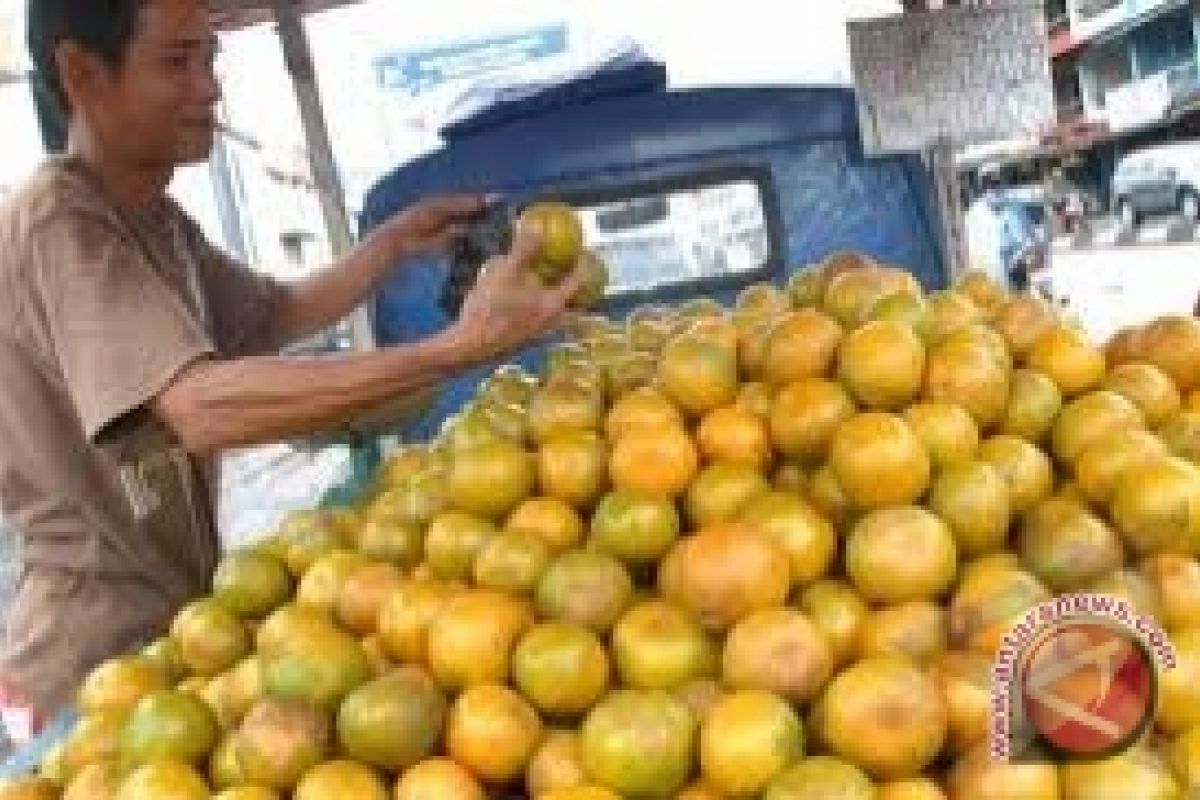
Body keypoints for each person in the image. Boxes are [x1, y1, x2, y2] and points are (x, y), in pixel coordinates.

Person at [0, 0, 586, 727]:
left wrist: (393, 244)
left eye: (210, 59)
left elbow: (272, 314)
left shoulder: (158, 224)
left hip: (175, 629)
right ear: (82, 73)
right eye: (177, 62)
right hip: (89, 656)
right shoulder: (62, 219)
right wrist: (456, 349)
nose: (210, 88)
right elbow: (198, 407)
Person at [965, 169, 1036, 290]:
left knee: (1020, 302)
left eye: (996, 182)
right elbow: (971, 246)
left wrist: (1024, 254)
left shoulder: (1015, 206)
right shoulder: (974, 214)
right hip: (990, 271)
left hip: (1017, 267)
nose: (993, 188)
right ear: (982, 187)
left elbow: (1029, 236)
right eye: (988, 184)